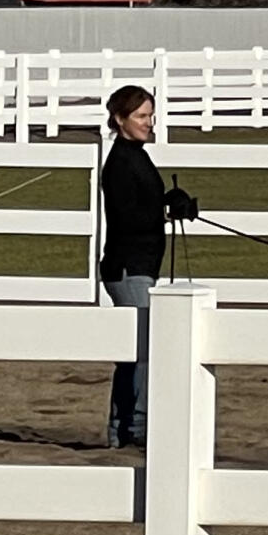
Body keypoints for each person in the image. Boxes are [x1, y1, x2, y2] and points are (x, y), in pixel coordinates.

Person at [99, 86, 198, 449]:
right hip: (129, 267)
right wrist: (165, 206)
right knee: (143, 351)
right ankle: (134, 429)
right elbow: (128, 217)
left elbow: (145, 206)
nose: (148, 123)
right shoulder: (121, 163)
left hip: (140, 265)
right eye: (140, 117)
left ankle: (122, 429)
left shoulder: (136, 156)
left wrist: (170, 202)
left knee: (135, 352)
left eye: (150, 116)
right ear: (120, 120)